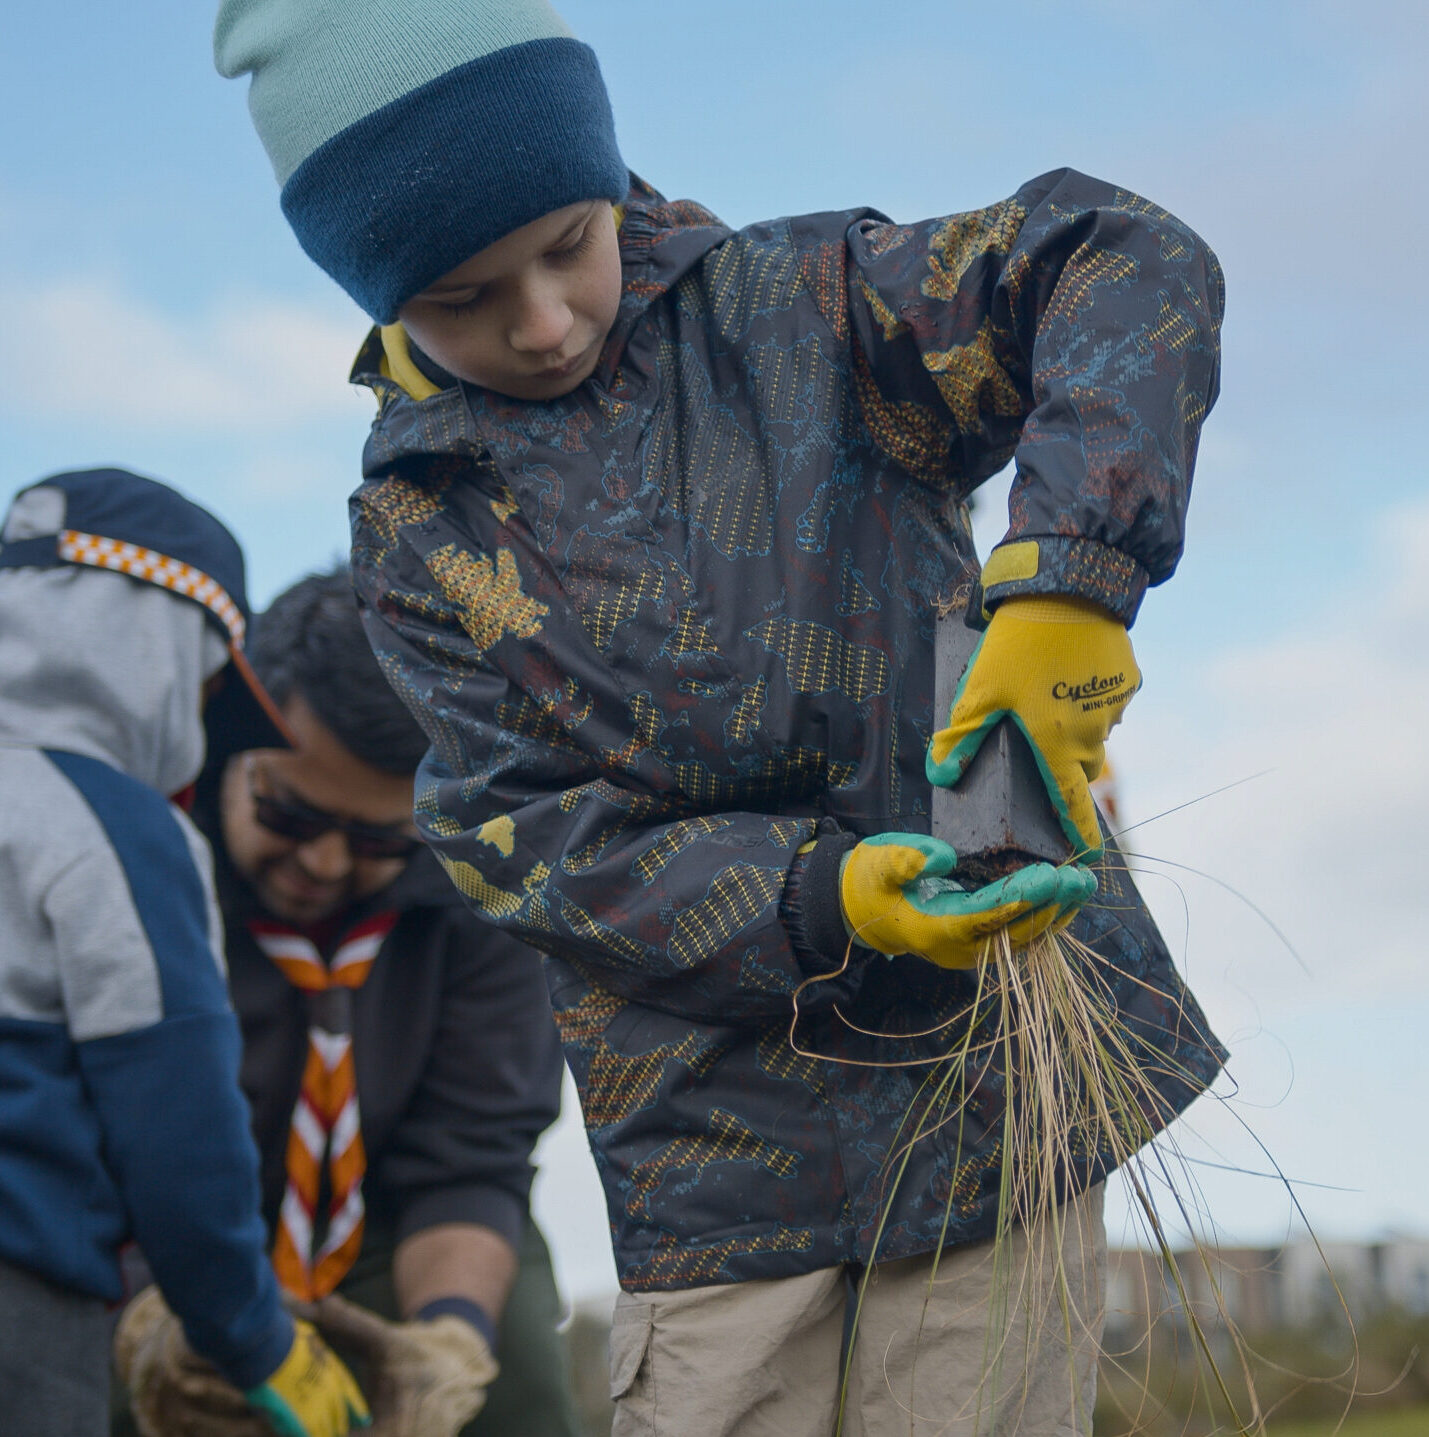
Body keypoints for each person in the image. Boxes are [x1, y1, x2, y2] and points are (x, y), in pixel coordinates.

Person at [216, 4, 1229, 1432]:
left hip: (996, 1083)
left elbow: (1121, 260)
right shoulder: (414, 537)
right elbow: (528, 842)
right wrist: (825, 898)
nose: (545, 319)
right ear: (373, 296)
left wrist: (1073, 579)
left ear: (607, 169)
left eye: (567, 243)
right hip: (713, 1162)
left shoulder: (816, 304)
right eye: (461, 296)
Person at [114, 565, 582, 1436]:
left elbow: (470, 1158)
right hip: (149, 1234)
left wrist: (449, 1341)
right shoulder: (134, 855)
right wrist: (147, 1320)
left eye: (375, 838)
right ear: (230, 736)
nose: (325, 864)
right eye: (290, 813)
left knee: (510, 1391)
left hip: (386, 1227)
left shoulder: (490, 883)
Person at [0, 468, 368, 1437]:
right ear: (158, 647)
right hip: (20, 1302)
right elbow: (177, 1124)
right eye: (209, 685)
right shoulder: (119, 830)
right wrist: (255, 1336)